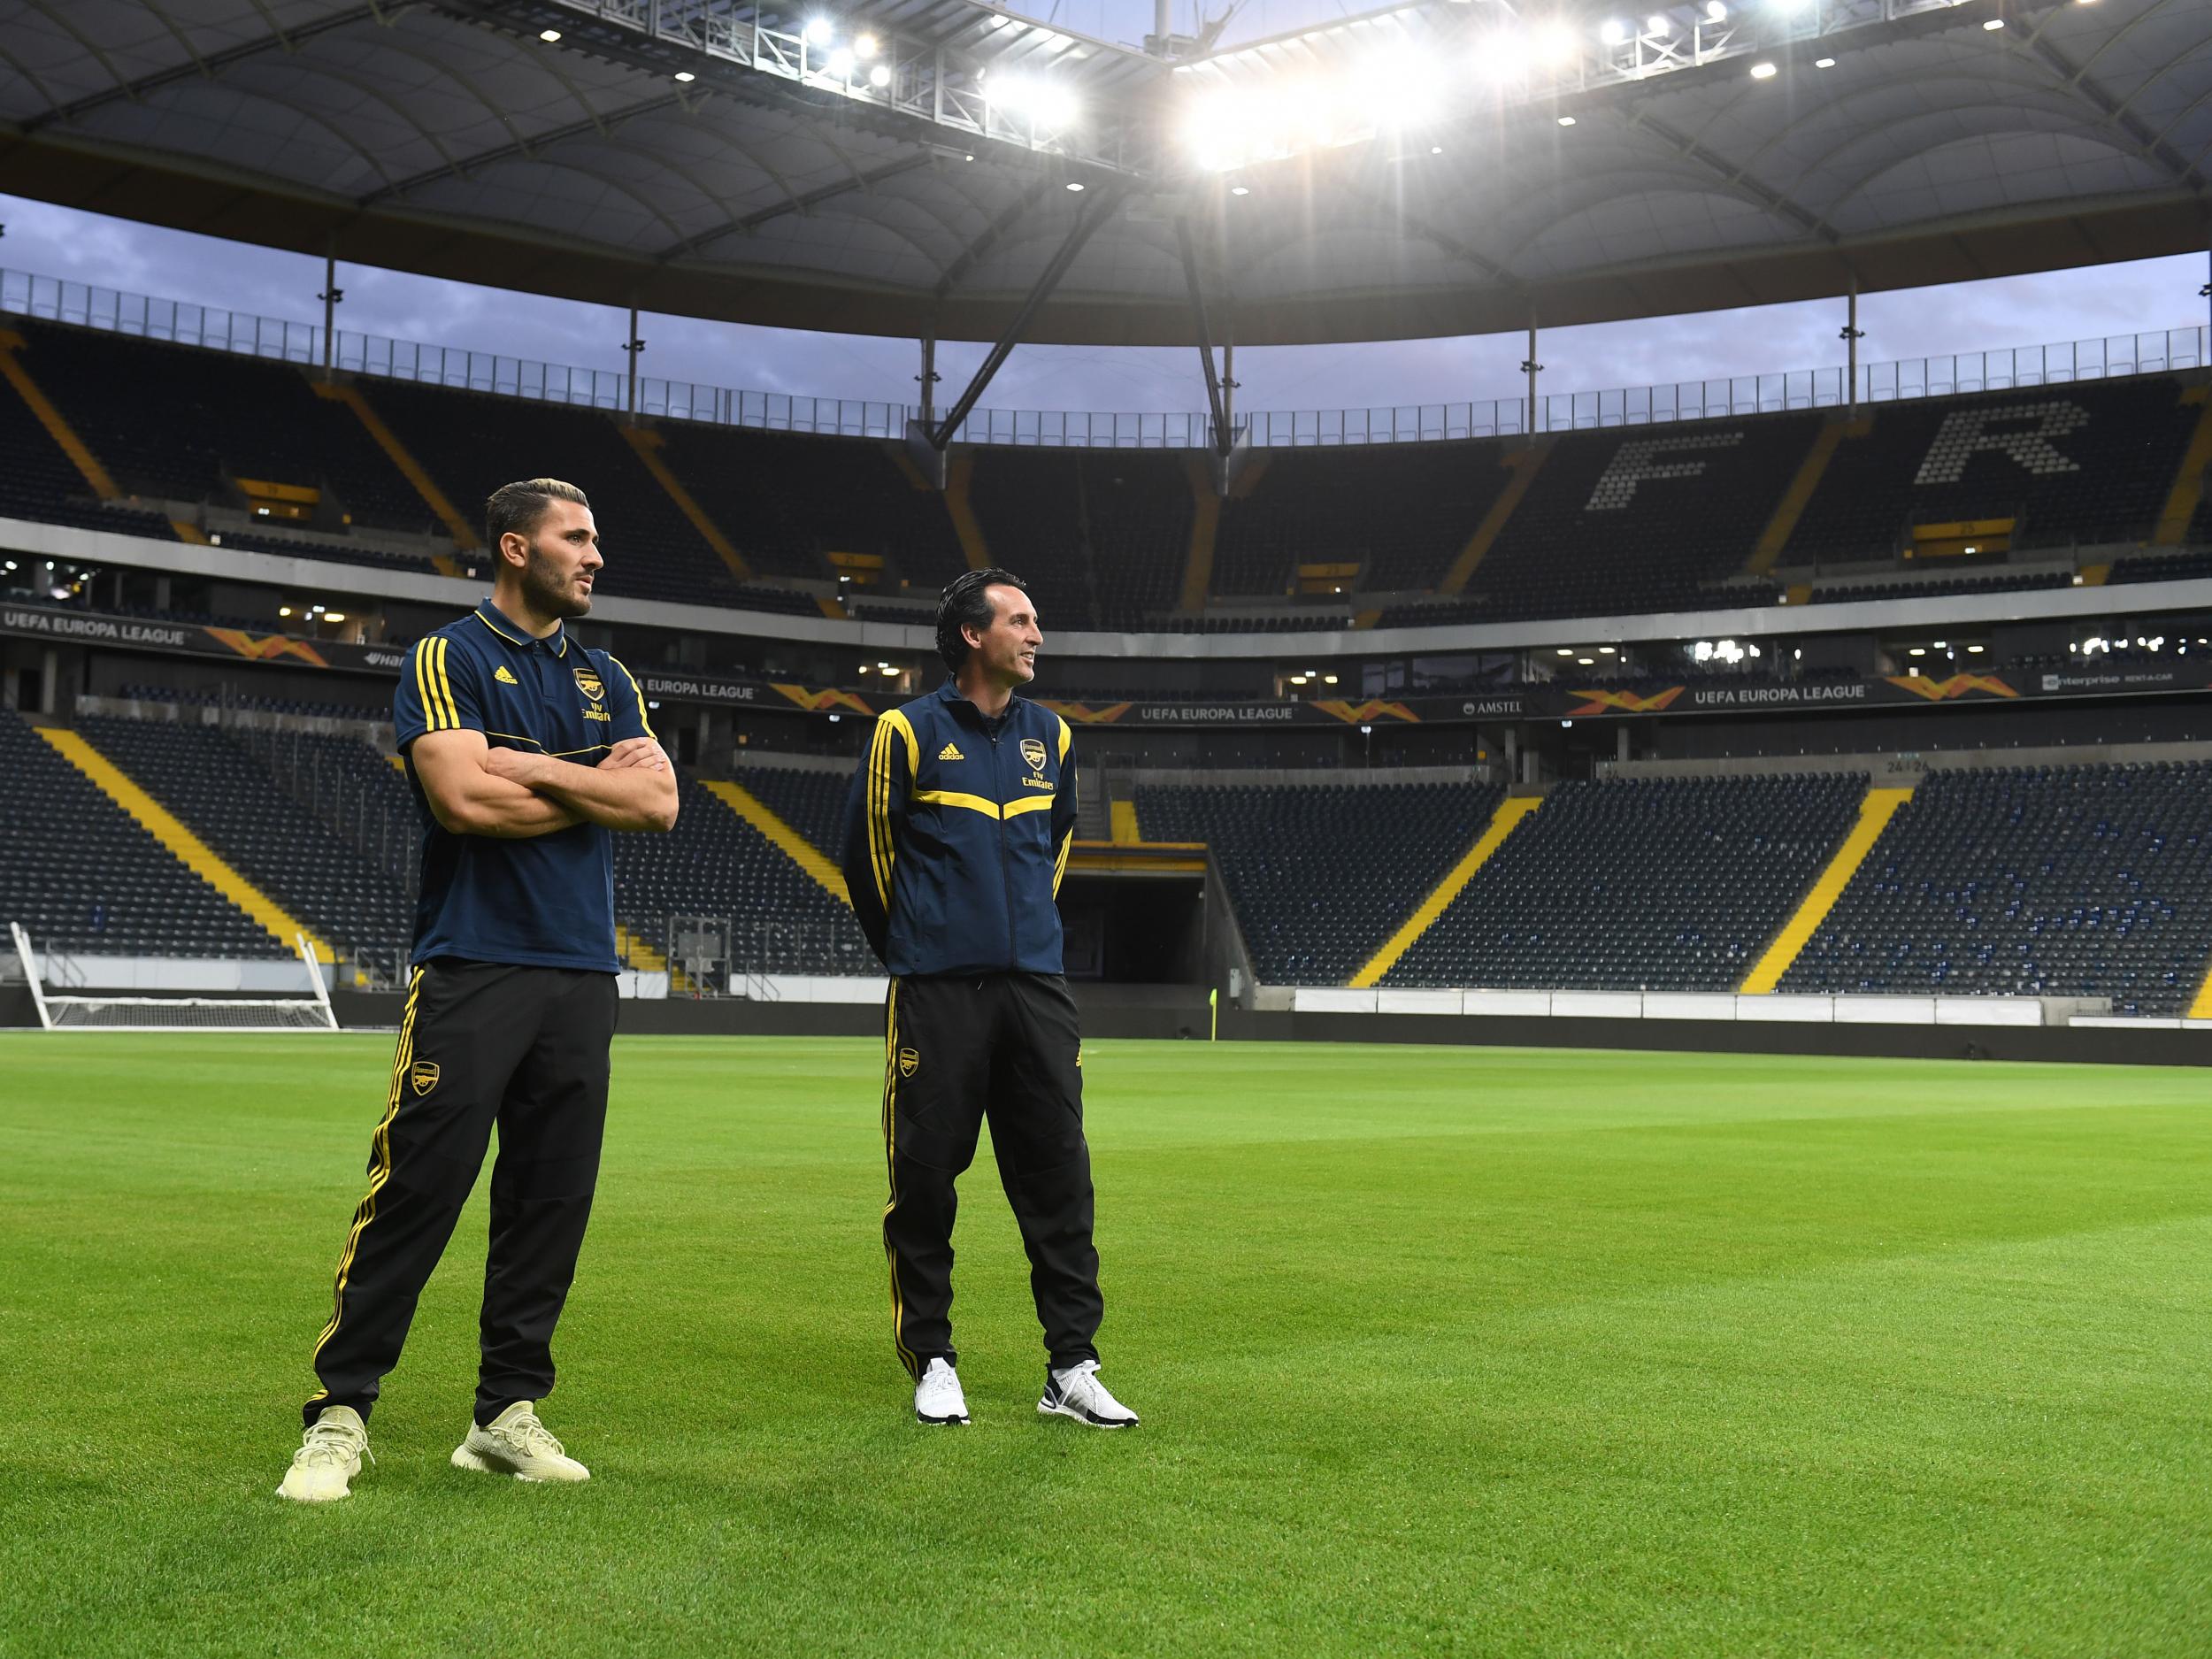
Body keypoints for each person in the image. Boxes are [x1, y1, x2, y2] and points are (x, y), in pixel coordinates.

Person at [276, 478, 679, 1502]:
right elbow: (460, 798)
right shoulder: (449, 655)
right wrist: (591, 787)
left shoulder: (607, 674)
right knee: (417, 1187)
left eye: (595, 538)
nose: (594, 556)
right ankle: (340, 1413)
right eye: (574, 539)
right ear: (514, 547)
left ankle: (505, 1414)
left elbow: (660, 801)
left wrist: (532, 770)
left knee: (550, 1199)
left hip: (582, 971)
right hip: (475, 961)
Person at [840, 567, 1138, 1430]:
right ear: (973, 636)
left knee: (1060, 1178)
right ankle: (932, 1357)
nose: (1036, 634)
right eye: (1020, 620)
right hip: (937, 990)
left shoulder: (1055, 736)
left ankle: (1071, 1365)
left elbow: (1056, 848)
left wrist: (1024, 945)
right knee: (927, 1179)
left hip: (1036, 991)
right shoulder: (905, 731)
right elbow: (869, 857)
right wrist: (921, 949)